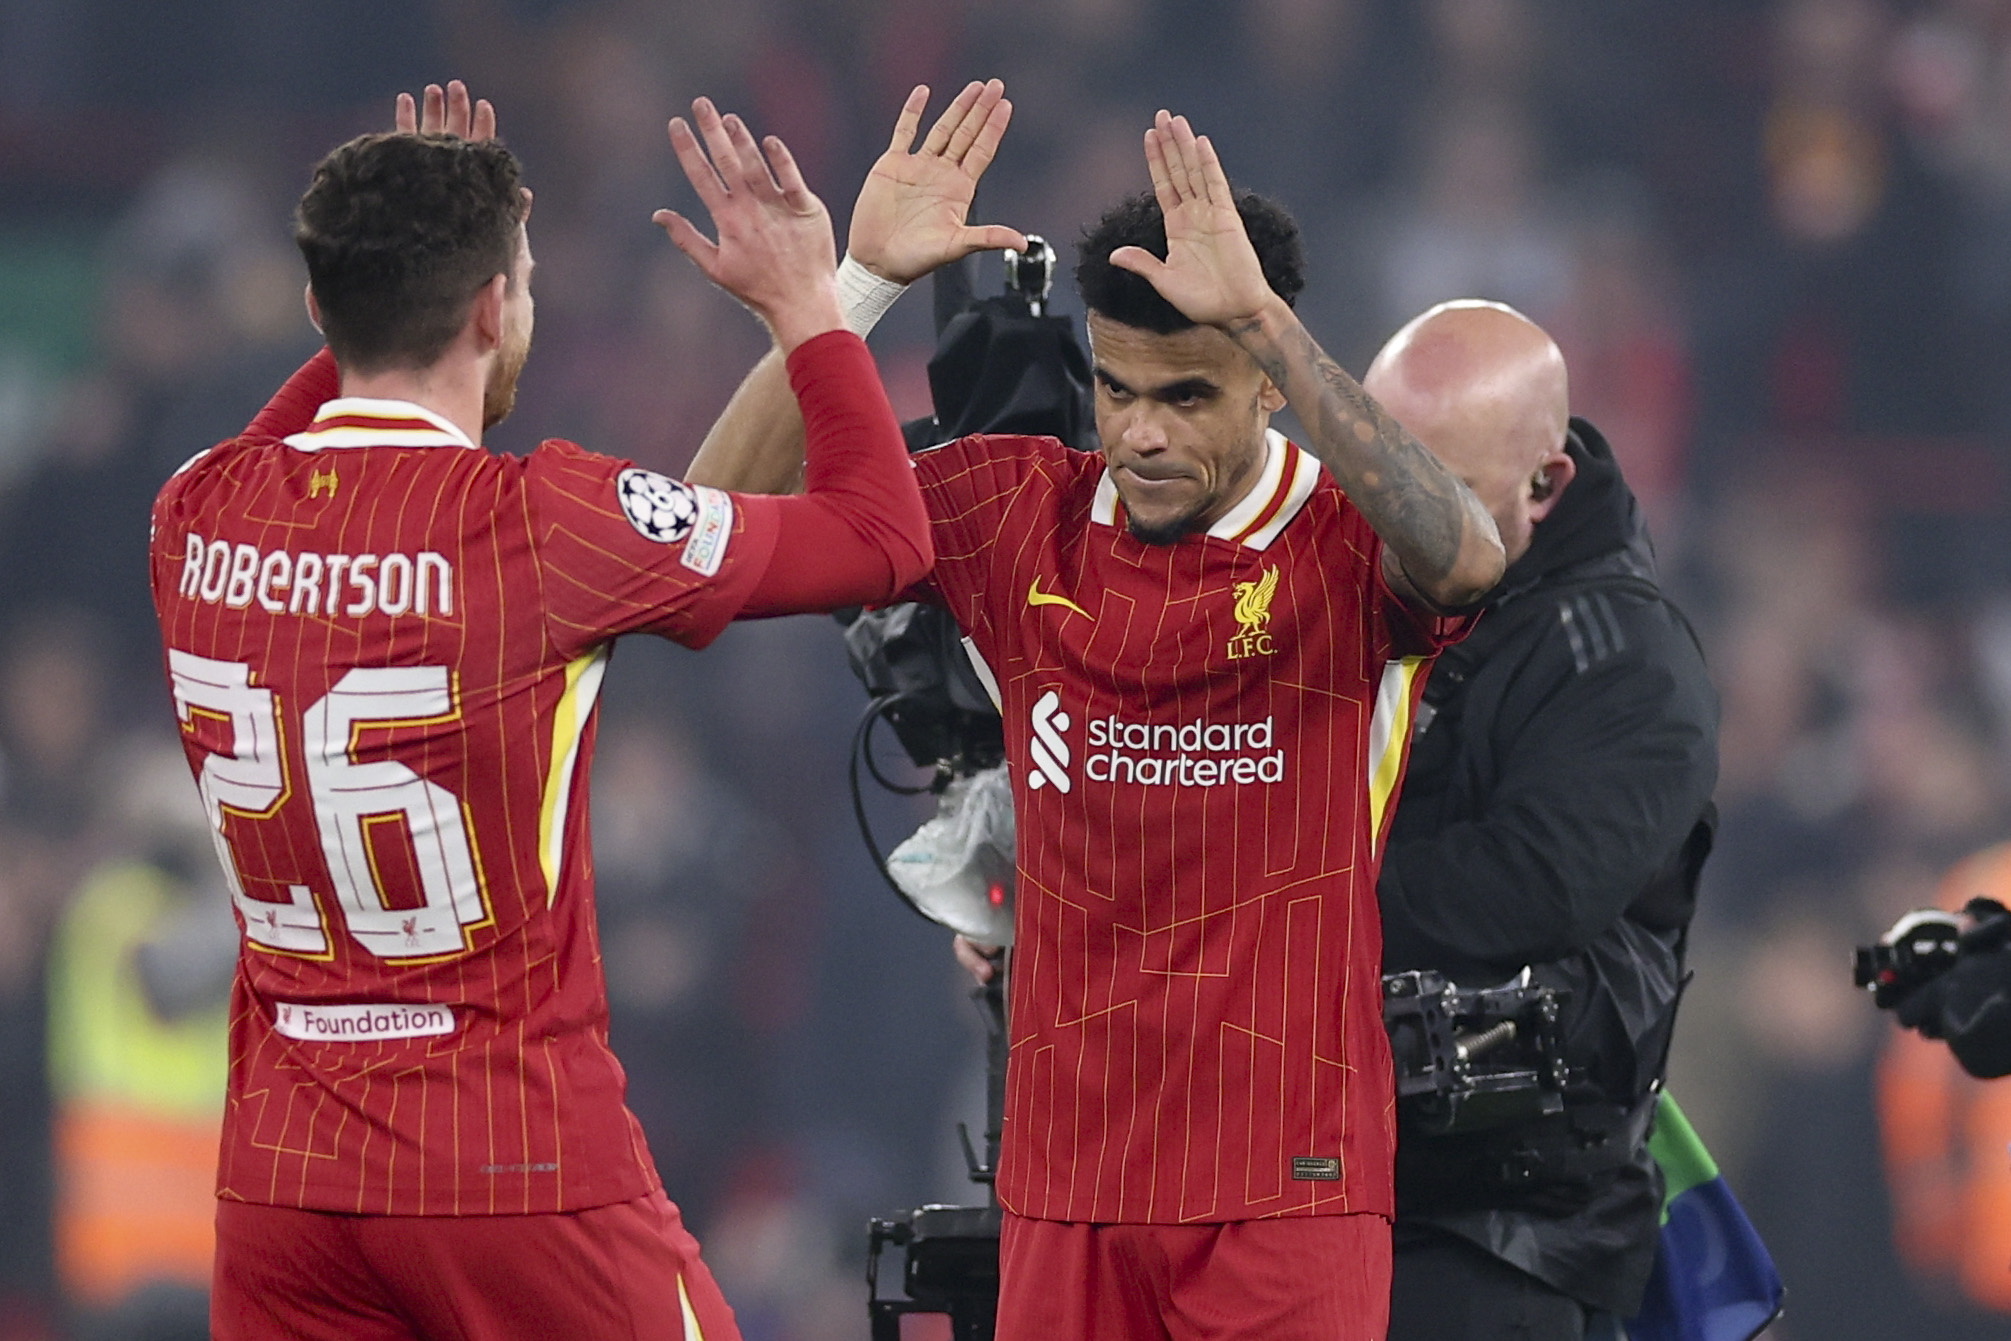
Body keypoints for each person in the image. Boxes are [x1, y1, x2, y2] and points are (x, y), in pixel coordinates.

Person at [690, 105, 1504, 1341]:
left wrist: (1269, 323)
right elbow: (697, 532)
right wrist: (847, 292)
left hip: (1287, 1188)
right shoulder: (1018, 510)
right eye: (1116, 389)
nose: (1140, 432)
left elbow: (1467, 562)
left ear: (1271, 389)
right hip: (1066, 1192)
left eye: (1187, 394)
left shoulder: (1341, 543)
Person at [148, 80, 934, 1341]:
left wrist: (404, 254)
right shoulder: (544, 524)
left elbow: (317, 410)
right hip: (508, 1167)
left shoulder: (194, 515)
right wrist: (808, 303)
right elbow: (883, 537)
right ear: (490, 307)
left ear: (317, 306)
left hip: (283, 1186)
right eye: (519, 274)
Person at [1364, 302, 1719, 1340]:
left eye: (1445, 497)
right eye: (1377, 480)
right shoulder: (1342, 595)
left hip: (1500, 1241)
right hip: (1314, 1192)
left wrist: (1254, 905)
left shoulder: (1627, 661)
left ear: (1545, 484)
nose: (1400, 523)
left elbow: (1526, 888)